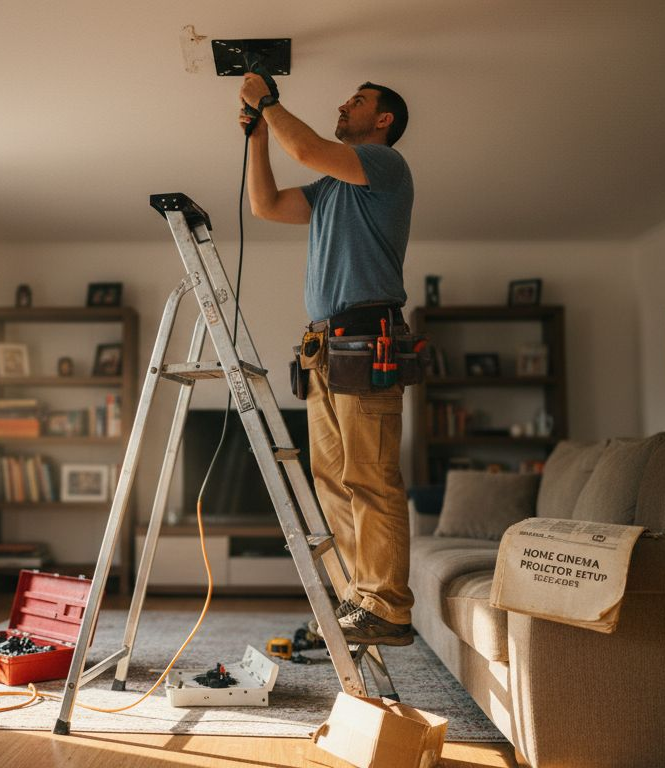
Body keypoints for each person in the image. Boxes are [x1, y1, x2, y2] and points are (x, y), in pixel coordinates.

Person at [238, 74, 415, 646]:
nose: (345, 104)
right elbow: (264, 205)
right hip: (322, 344)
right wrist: (259, 135)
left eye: (358, 101)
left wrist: (269, 100)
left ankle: (387, 607)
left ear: (383, 120)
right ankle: (354, 601)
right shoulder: (330, 188)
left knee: (371, 475)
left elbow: (311, 146)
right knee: (333, 479)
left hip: (368, 335)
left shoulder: (385, 167)